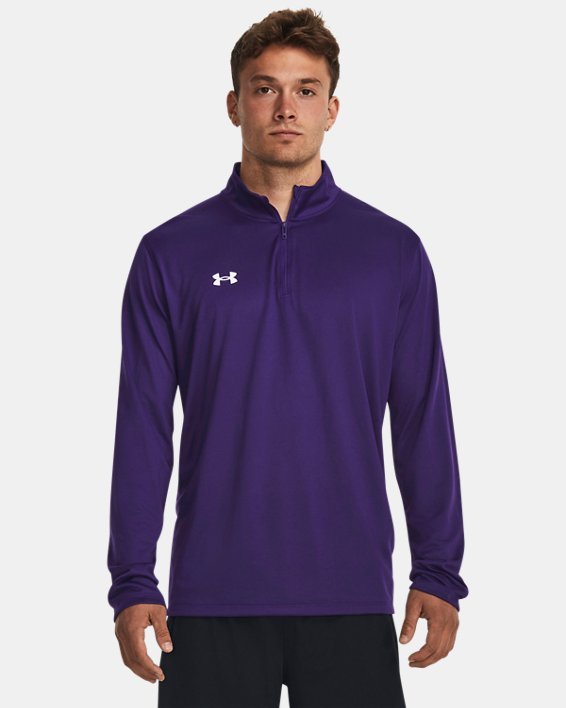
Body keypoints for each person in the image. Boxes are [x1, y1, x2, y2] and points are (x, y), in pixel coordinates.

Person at [107, 8, 469, 707]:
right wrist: (132, 580)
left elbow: (423, 416)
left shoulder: (391, 251)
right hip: (209, 598)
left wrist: (438, 569)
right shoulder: (170, 252)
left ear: (332, 109)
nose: (285, 108)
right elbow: (143, 424)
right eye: (265, 88)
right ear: (234, 104)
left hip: (352, 592)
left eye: (306, 90)